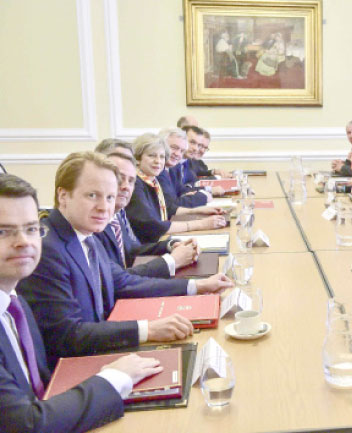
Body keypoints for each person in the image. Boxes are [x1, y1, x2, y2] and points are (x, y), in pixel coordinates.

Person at [16, 152, 232, 366]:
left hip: (104, 347)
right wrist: (148, 330)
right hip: (78, 366)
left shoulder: (86, 235)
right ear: (63, 195)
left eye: (109, 197)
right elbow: (68, 335)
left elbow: (124, 282)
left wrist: (197, 286)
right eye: (92, 195)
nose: (104, 206)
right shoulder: (47, 249)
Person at [0, 173, 166, 433]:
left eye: (31, 228)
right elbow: (27, 425)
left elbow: (42, 387)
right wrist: (115, 377)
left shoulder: (14, 302)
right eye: (3, 231)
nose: (24, 242)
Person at [95, 151, 199, 278]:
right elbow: (117, 280)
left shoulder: (115, 215)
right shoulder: (96, 221)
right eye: (119, 179)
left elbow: (131, 251)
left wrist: (170, 245)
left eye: (131, 181)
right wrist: (173, 261)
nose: (126, 186)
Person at [125, 134, 227, 243]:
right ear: (138, 158)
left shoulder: (151, 180)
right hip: (147, 249)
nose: (158, 161)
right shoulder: (135, 184)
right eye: (152, 156)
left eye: (162, 157)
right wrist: (201, 224)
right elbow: (153, 226)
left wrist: (200, 211)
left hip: (159, 241)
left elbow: (169, 210)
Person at [157, 128, 211, 208]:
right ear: (160, 145)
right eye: (174, 148)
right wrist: (203, 197)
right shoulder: (158, 171)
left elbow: (182, 191)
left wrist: (189, 195)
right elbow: (171, 206)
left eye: (182, 151)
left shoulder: (173, 167)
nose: (178, 154)